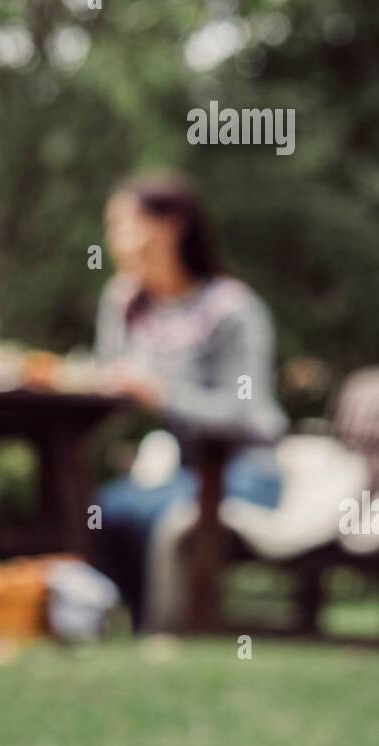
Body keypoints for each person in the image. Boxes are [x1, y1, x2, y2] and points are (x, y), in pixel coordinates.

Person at [92, 171, 288, 627]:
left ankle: (161, 635)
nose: (116, 241)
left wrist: (160, 394)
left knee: (147, 512)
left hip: (245, 470)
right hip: (178, 471)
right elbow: (110, 381)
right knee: (101, 510)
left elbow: (247, 412)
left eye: (126, 225)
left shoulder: (233, 310)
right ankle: (123, 629)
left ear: (172, 224)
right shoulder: (125, 304)